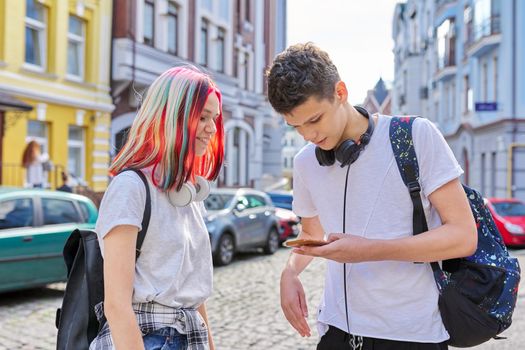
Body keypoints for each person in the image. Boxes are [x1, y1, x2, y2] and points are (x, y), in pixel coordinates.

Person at [266, 43, 477, 350]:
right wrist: (290, 272)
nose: (308, 136)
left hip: (411, 335)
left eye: (314, 120)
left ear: (340, 92)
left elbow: (463, 236)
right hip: (337, 332)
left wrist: (369, 250)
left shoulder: (415, 136)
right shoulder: (305, 162)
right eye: (296, 126)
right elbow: (311, 234)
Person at [89, 66, 224, 350]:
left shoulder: (188, 196)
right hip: (145, 339)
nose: (211, 128)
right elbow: (116, 305)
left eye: (214, 118)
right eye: (202, 117)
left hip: (189, 337)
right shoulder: (131, 187)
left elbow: (194, 298)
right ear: (171, 117)